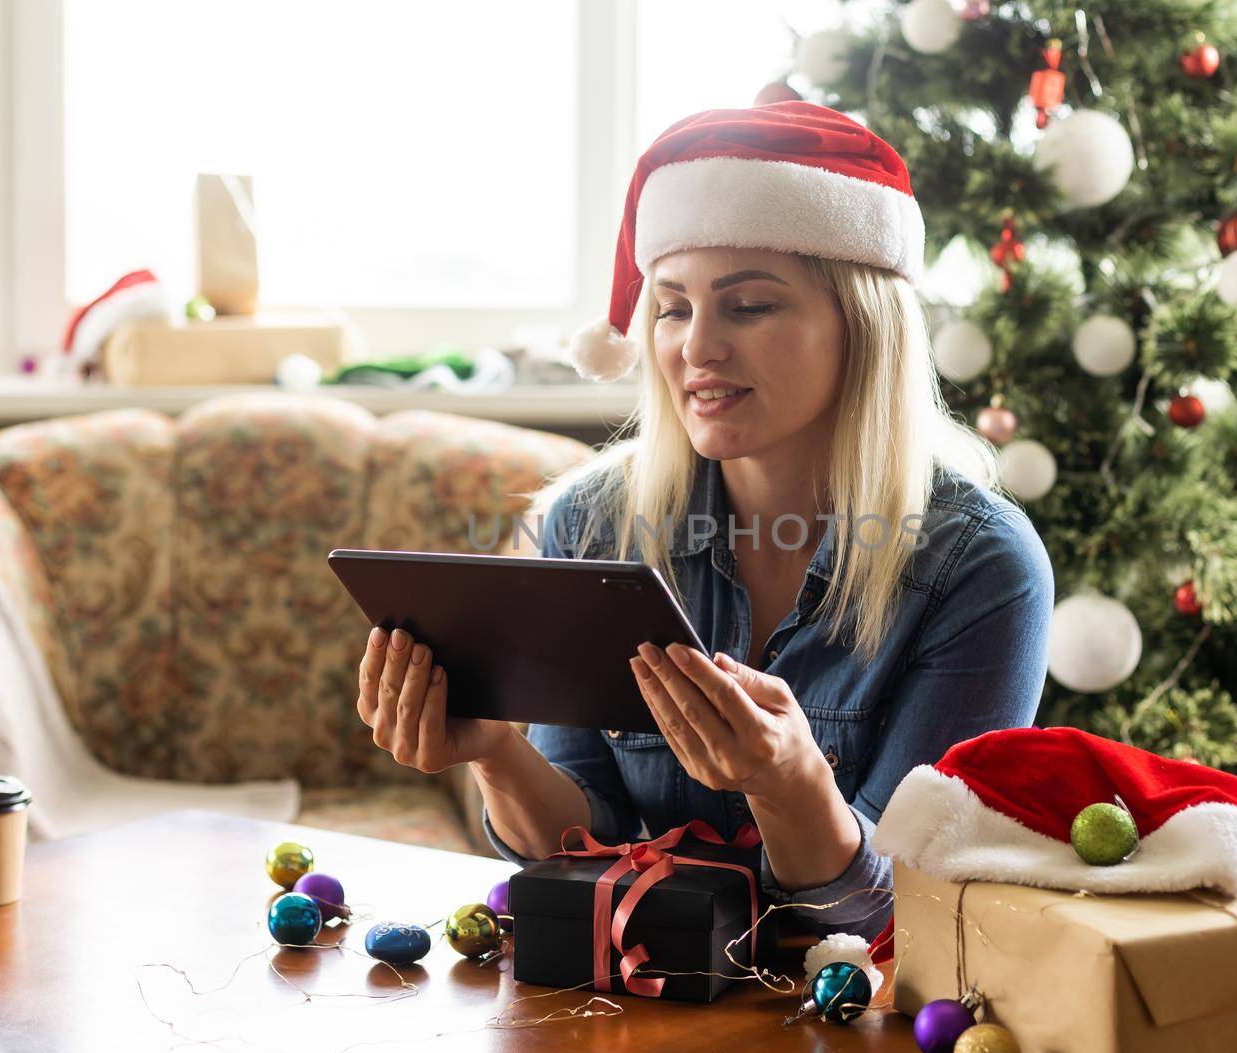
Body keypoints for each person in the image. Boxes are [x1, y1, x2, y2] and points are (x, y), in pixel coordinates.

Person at [354, 101, 1054, 940]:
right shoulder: (590, 522)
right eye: (674, 307)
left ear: (863, 327)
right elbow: (584, 858)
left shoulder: (979, 567)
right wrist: (496, 755)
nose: (697, 347)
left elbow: (901, 918)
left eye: (749, 306)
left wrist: (792, 783)